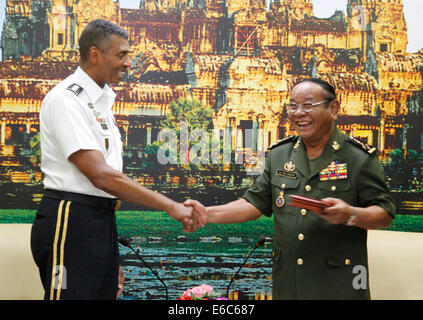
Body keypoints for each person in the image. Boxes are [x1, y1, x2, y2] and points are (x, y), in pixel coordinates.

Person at [30, 19, 205, 300]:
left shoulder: (102, 102)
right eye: (121, 55)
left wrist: (109, 255)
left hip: (101, 218)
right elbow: (101, 175)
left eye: (129, 55)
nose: (128, 63)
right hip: (71, 219)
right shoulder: (66, 99)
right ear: (95, 54)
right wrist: (170, 206)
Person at [185, 78, 396, 299]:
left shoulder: (357, 158)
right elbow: (253, 204)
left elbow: (385, 214)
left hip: (338, 287)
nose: (298, 113)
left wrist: (351, 214)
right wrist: (206, 214)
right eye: (293, 105)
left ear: (333, 109)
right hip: (289, 285)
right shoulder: (280, 154)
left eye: (308, 105)